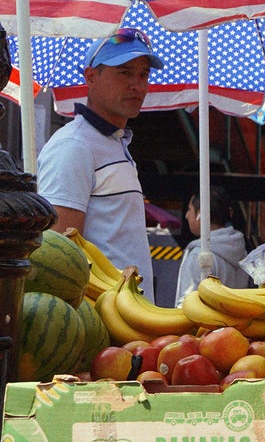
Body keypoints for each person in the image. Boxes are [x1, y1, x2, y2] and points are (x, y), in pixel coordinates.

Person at [36, 26, 163, 297]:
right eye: (124, 72)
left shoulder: (116, 142)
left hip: (129, 322)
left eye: (144, 74)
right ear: (91, 76)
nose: (137, 85)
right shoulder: (74, 145)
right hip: (101, 323)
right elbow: (60, 255)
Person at [173, 186, 250, 301]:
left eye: (189, 210)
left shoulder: (199, 255)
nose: (186, 215)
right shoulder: (242, 251)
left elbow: (187, 304)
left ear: (200, 215)